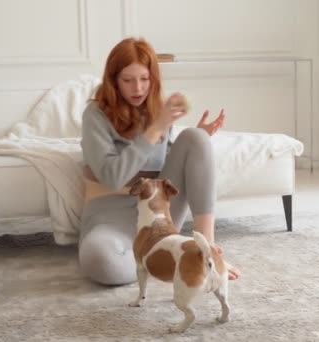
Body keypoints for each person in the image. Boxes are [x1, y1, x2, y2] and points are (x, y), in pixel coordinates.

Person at [79, 37, 240, 285]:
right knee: (103, 263)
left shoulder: (156, 111)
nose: (138, 88)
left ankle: (206, 253)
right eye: (128, 80)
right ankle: (159, 259)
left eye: (144, 79)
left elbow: (164, 163)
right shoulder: (95, 116)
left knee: (195, 138)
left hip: (158, 216)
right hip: (111, 217)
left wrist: (196, 143)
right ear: (113, 80)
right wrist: (156, 129)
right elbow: (112, 177)